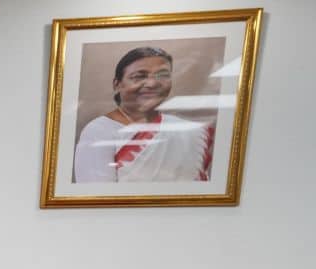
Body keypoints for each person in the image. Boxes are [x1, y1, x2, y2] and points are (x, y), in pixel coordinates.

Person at [73, 47, 214, 183]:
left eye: (162, 75)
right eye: (139, 76)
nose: (152, 84)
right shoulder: (99, 132)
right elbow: (97, 196)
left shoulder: (187, 131)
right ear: (117, 85)